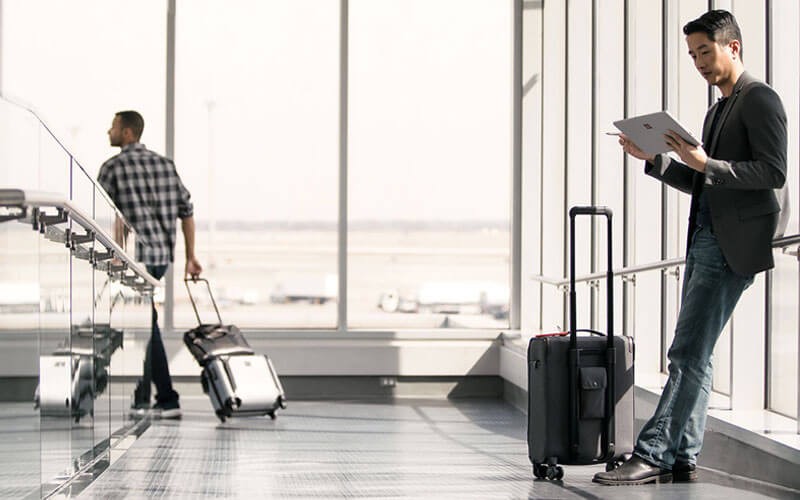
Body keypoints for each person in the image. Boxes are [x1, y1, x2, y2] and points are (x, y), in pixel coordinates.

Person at [594, 10, 788, 485]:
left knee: (685, 353)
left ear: (733, 47)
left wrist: (707, 162)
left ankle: (653, 452)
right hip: (706, 238)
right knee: (697, 353)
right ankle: (683, 454)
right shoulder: (718, 108)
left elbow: (773, 172)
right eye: (692, 55)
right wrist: (658, 160)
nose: (699, 62)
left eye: (705, 51)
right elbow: (706, 182)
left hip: (729, 245)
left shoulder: (760, 100)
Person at [98, 110, 203, 420]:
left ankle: (168, 398)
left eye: (113, 126)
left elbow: (111, 212)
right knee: (148, 322)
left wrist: (116, 250)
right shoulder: (165, 165)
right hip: (161, 258)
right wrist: (191, 256)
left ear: (128, 132)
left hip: (138, 259)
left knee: (149, 326)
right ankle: (143, 396)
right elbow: (187, 211)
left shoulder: (113, 168)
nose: (109, 131)